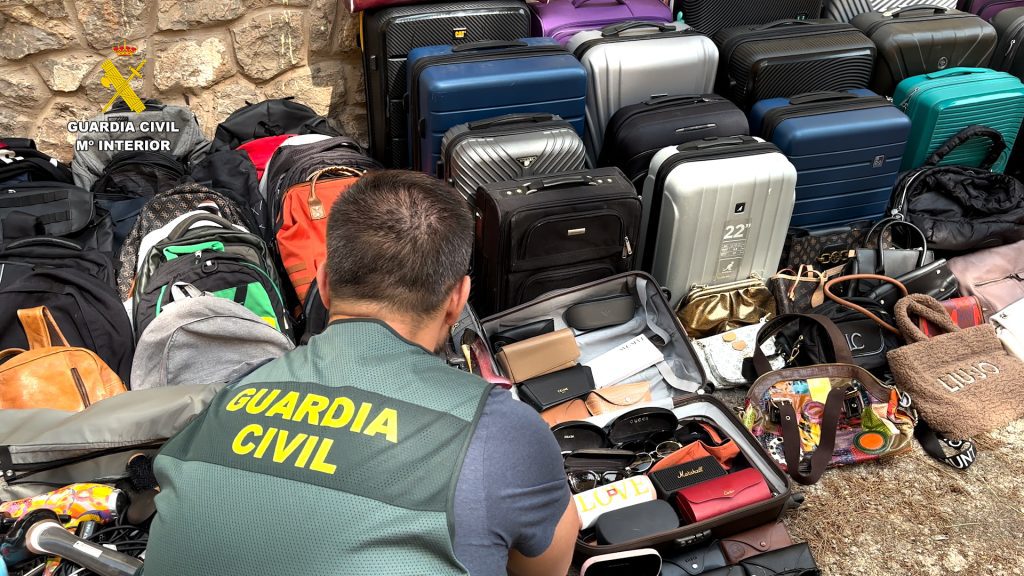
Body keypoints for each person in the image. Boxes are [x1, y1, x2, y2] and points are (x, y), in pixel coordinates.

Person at [140, 170, 579, 576]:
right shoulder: (502, 432)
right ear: (457, 300)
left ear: (323, 283)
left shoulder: (229, 398)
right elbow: (545, 570)